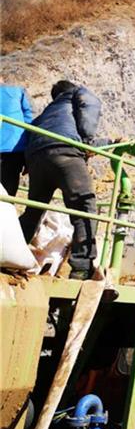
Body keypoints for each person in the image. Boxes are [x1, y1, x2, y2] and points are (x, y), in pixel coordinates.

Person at [20, 80, 107, 280]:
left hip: (36, 158)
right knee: (84, 207)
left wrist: (109, 143)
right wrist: (88, 141)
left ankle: (8, 253)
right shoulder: (77, 94)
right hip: (64, 152)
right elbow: (90, 104)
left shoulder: (45, 116)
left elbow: (63, 132)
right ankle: (81, 268)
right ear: (70, 88)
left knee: (33, 211)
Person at [0, 84, 33, 195]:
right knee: (8, 191)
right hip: (14, 147)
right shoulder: (16, 90)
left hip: (13, 147)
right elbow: (28, 119)